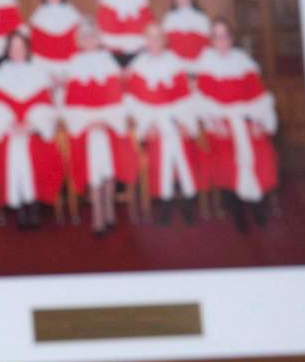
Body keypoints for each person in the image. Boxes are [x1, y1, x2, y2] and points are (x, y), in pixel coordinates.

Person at [195, 18, 279, 230]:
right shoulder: (205, 65)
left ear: (231, 38)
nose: (221, 41)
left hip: (246, 119)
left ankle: (258, 206)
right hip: (221, 124)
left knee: (261, 149)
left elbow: (259, 97)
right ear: (211, 40)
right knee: (226, 156)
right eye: (216, 37)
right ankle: (237, 210)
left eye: (225, 36)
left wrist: (259, 121)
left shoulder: (244, 63)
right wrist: (214, 123)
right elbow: (201, 103)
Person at [61, 22, 136, 235]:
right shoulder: (74, 64)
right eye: (85, 37)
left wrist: (106, 121)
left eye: (92, 36)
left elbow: (117, 96)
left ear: (98, 38)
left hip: (109, 126)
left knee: (108, 168)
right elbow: (71, 102)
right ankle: (98, 215)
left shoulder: (108, 61)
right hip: (86, 129)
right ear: (79, 41)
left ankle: (109, 209)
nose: (89, 40)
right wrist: (88, 122)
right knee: (94, 167)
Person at [126, 21, 203, 225]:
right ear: (145, 41)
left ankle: (187, 200)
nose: (154, 42)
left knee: (182, 147)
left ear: (164, 41)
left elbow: (184, 99)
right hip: (152, 126)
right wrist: (147, 125)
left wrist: (184, 123)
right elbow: (135, 103)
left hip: (175, 121)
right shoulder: (138, 66)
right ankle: (165, 202)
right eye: (150, 38)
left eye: (158, 38)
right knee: (160, 148)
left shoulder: (175, 63)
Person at [0, 30, 64, 229]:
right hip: (10, 131)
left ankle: (34, 205)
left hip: (33, 130)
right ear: (7, 50)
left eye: (21, 46)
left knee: (39, 152)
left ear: (27, 49)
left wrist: (33, 124)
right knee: (7, 154)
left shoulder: (39, 73)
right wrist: (8, 123)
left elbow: (46, 104)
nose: (17, 51)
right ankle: (20, 205)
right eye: (13, 47)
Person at [95, 0, 154, 67]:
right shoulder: (106, 3)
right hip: (112, 56)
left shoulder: (141, 2)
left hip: (139, 55)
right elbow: (103, 36)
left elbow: (149, 31)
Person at [26, 0, 82, 82]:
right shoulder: (38, 17)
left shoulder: (72, 14)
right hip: (46, 71)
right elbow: (36, 49)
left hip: (69, 69)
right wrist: (48, 75)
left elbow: (77, 46)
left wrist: (67, 74)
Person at [162, 0, 211, 64]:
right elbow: (165, 46)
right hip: (174, 65)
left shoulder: (202, 19)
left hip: (198, 64)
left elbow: (207, 48)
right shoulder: (168, 19)